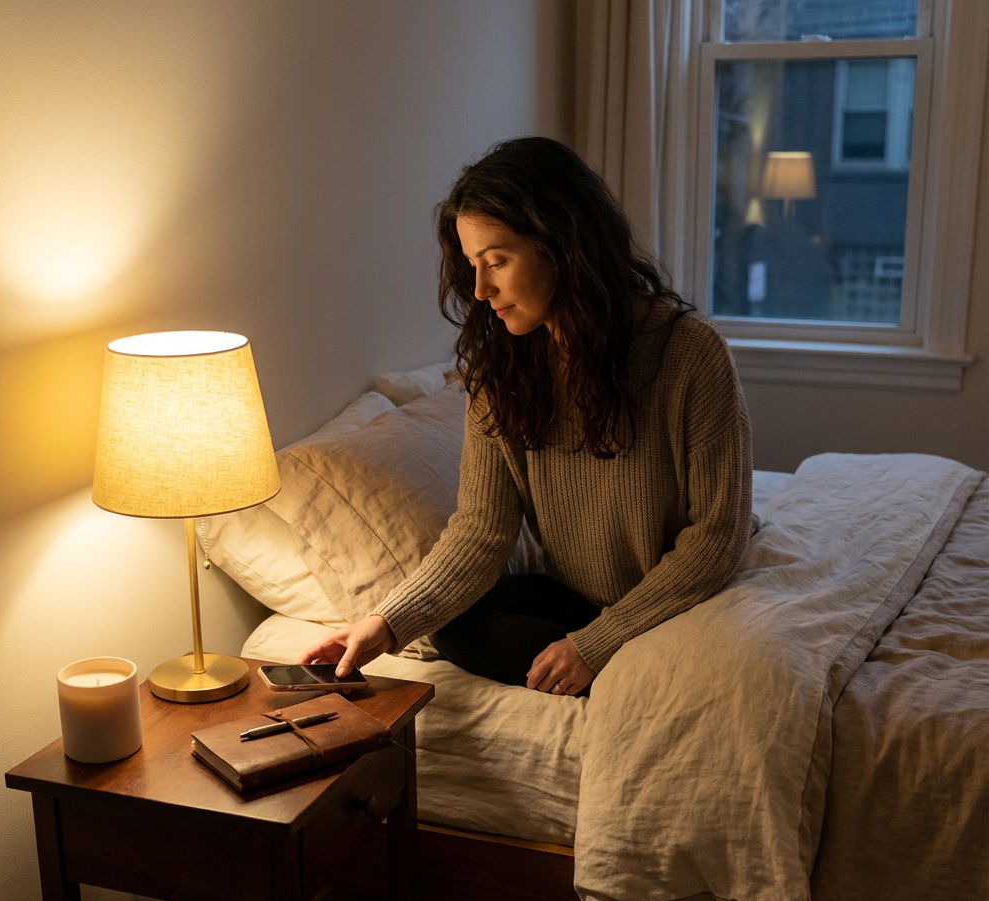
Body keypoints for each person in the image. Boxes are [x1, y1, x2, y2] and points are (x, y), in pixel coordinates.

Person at [301, 137, 754, 696]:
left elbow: (717, 538)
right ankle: (624, 670)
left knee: (721, 666)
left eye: (496, 262)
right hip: (579, 599)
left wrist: (598, 642)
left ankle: (636, 670)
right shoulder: (502, 372)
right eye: (472, 266)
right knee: (451, 623)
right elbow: (481, 531)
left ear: (564, 245)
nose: (480, 289)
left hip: (680, 598)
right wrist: (384, 625)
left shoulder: (689, 353)